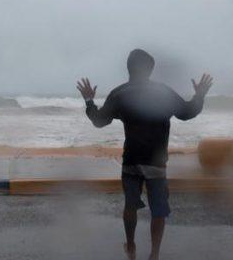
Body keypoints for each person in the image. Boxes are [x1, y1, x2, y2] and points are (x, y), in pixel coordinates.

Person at [76, 49, 213, 260]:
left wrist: (89, 101)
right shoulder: (163, 93)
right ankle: (154, 254)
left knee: (130, 206)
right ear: (150, 70)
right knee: (158, 210)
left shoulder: (120, 93)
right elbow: (187, 113)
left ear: (129, 68)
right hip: (156, 162)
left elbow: (99, 121)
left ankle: (130, 246)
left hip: (131, 160)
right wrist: (200, 95)